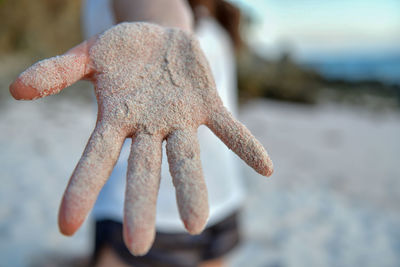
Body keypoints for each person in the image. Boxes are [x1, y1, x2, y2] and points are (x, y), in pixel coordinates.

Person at [10, 1, 273, 266]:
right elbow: (151, 5)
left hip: (221, 200)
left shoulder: (215, 9)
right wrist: (163, 32)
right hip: (139, 206)